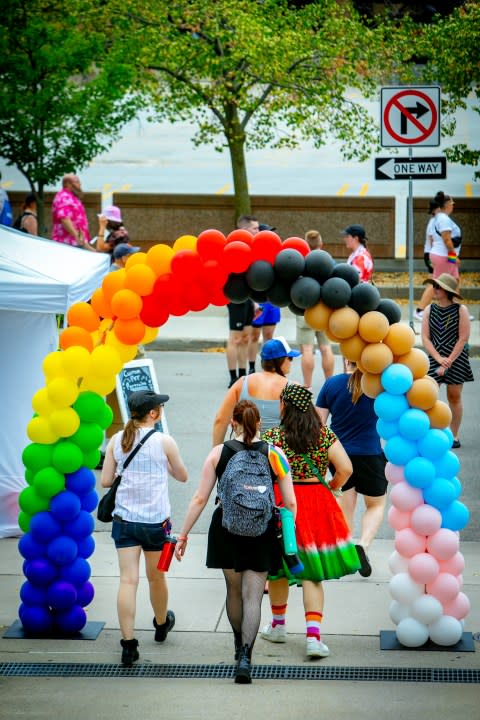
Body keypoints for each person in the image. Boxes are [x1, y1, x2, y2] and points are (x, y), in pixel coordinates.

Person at [175, 399, 296, 684]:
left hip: (227, 529)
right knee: (252, 595)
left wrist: (183, 534)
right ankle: (246, 656)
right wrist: (288, 536)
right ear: (259, 424)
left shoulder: (219, 453)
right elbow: (289, 501)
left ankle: (236, 643)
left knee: (233, 591)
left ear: (234, 423)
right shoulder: (275, 454)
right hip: (262, 530)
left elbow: (200, 498)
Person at [261, 384, 360, 658]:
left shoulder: (273, 436)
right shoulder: (323, 434)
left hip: (284, 501)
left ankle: (278, 627)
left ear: (284, 405)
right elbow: (347, 468)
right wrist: (332, 485)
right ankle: (314, 638)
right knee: (312, 573)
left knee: (278, 568)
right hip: (318, 501)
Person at [100, 389, 188, 667]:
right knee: (156, 578)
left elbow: (105, 481)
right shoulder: (164, 442)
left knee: (128, 580)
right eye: (160, 407)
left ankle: (128, 644)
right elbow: (183, 476)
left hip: (124, 522)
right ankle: (161, 623)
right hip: (155, 524)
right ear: (153, 413)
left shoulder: (116, 440)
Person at [316, 360, 388, 577]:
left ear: (347, 359)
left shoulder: (332, 384)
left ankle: (346, 553)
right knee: (375, 504)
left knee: (346, 503)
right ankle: (363, 546)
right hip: (370, 453)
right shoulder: (379, 386)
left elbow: (318, 424)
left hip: (338, 454)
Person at [212, 336, 300, 445]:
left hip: (245, 453)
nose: (291, 362)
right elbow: (308, 425)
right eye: (290, 358)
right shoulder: (294, 387)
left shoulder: (243, 383)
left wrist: (217, 455)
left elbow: (220, 420)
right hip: (279, 457)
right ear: (281, 360)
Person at [421, 273, 474, 449]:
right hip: (435, 358)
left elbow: (463, 338)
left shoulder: (461, 310)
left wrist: (449, 360)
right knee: (427, 397)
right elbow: (425, 338)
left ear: (447, 291)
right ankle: (429, 432)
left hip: (456, 359)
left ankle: (454, 435)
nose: (434, 289)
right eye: (434, 286)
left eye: (438, 287)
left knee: (454, 396)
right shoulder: (429, 310)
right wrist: (438, 359)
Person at [296, 230, 334, 390]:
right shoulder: (328, 262)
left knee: (307, 349)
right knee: (326, 348)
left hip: (306, 309)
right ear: (321, 244)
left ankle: (307, 386)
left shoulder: (302, 262)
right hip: (324, 309)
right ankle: (329, 384)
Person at [246, 220, 281, 373]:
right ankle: (252, 368)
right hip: (259, 300)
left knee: (269, 336)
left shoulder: (277, 255)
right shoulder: (255, 255)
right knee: (254, 336)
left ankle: (268, 367)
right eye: (268, 233)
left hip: (272, 301)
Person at [414, 197, 442, 322]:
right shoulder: (435, 221)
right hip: (433, 254)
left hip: (433, 254)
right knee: (434, 282)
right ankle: (420, 310)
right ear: (439, 208)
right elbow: (432, 239)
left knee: (437, 282)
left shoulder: (436, 220)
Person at [51, 174, 95, 251]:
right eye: (77, 182)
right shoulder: (63, 197)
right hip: (67, 244)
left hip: (76, 243)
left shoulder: (72, 197)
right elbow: (64, 219)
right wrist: (76, 236)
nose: (80, 184)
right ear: (68, 183)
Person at [427, 191, 461, 283]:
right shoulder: (444, 219)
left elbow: (432, 239)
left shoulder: (439, 218)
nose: (453, 206)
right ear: (447, 205)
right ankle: (427, 297)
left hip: (442, 254)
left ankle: (453, 298)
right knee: (439, 283)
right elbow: (446, 240)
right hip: (444, 255)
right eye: (452, 204)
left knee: (455, 280)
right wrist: (454, 257)